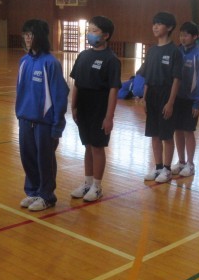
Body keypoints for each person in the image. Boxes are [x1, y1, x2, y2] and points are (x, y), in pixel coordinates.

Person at [16, 20, 69, 212]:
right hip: (25, 120)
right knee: (27, 157)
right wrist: (19, 114)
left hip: (44, 123)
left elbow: (60, 95)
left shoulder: (51, 63)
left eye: (31, 34)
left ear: (40, 36)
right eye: (25, 34)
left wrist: (57, 125)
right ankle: (33, 191)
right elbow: (20, 91)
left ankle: (47, 196)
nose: (27, 38)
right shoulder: (23, 62)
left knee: (44, 160)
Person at [69, 16, 121, 201]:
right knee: (88, 146)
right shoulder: (83, 56)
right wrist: (73, 105)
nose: (90, 34)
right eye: (89, 30)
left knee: (98, 147)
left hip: (100, 107)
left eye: (94, 31)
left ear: (106, 35)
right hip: (83, 106)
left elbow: (113, 89)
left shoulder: (111, 60)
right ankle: (88, 183)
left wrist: (109, 117)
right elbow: (76, 83)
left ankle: (97, 187)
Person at [143, 12, 183, 183]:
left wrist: (170, 102)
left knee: (166, 135)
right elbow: (147, 76)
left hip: (166, 95)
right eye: (154, 23)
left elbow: (177, 79)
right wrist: (145, 97)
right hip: (151, 94)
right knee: (154, 134)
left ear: (170, 27)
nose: (155, 27)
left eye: (159, 24)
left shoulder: (175, 51)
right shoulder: (152, 50)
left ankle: (167, 169)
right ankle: (158, 167)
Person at [171, 21, 199, 178]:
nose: (182, 38)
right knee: (177, 130)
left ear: (195, 37)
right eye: (181, 35)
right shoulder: (177, 52)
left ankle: (190, 164)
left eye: (186, 35)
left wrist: (197, 102)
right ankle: (181, 161)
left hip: (191, 100)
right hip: (177, 98)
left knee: (188, 131)